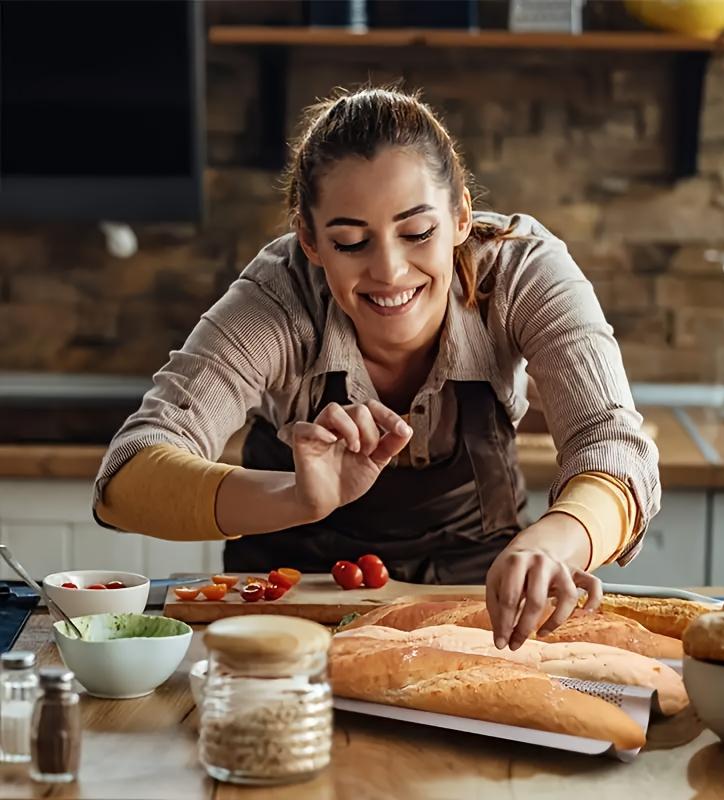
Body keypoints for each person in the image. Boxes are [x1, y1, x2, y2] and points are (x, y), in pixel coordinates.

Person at [93, 87, 660, 651]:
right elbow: (125, 479)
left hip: (482, 601)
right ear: (310, 242)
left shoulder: (521, 273)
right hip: (292, 608)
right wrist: (296, 497)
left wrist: (556, 543)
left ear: (461, 216)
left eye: (417, 233)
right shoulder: (278, 300)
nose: (389, 271)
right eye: (350, 242)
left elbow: (613, 443)